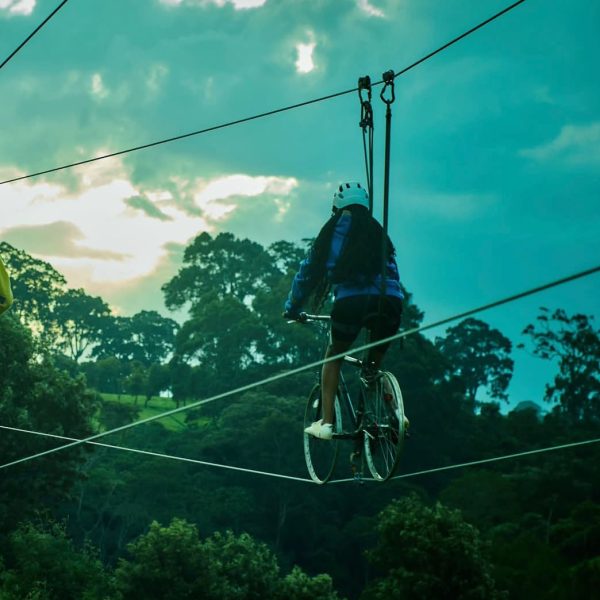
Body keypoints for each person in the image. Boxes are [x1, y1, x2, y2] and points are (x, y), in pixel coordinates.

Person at [283, 182, 404, 440]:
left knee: (333, 357)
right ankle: (395, 412)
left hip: (352, 303)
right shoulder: (377, 232)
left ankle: (326, 423)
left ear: (336, 207)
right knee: (373, 365)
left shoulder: (332, 231)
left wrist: (292, 308)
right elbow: (393, 274)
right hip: (390, 302)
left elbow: (308, 274)